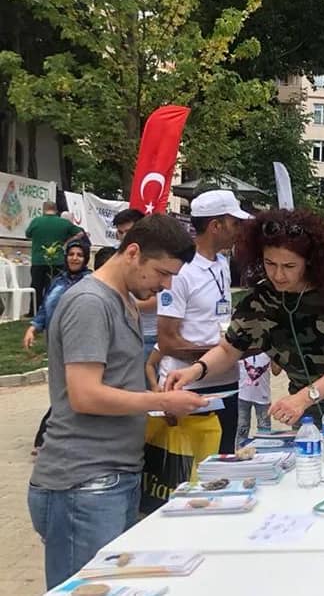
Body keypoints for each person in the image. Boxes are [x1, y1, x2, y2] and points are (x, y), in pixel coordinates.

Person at [28, 214, 207, 590]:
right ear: (133, 252)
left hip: (109, 477)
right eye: (161, 272)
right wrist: (158, 402)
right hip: (84, 482)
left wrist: (158, 394)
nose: (166, 284)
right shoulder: (91, 303)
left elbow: (116, 377)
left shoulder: (121, 297)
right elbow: (85, 394)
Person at [166, 209, 324, 429]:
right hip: (308, 406)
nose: (278, 274)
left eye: (289, 266)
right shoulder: (260, 300)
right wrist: (194, 371)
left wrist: (305, 397)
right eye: (270, 264)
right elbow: (229, 349)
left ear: (309, 261)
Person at [157, 190, 250, 453]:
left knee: (223, 465)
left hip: (227, 383)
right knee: (189, 470)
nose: (239, 231)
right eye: (235, 224)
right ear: (215, 226)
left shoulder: (222, 262)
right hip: (191, 387)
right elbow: (167, 339)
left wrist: (231, 351)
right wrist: (215, 357)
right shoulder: (180, 270)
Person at [24, 239, 93, 454]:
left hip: (80, 344)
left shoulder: (90, 281)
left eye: (79, 255)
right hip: (55, 344)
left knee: (70, 389)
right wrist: (33, 328)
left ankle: (47, 437)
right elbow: (45, 307)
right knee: (60, 390)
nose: (74, 258)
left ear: (86, 258)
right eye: (71, 254)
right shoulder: (58, 281)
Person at [114, 209, 157, 358]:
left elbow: (158, 300)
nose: (124, 236)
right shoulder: (114, 257)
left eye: (128, 231)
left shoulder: (155, 257)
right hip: (122, 334)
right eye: (120, 232)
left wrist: (120, 305)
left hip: (149, 335)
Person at [25, 201, 84, 305]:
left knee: (36, 286)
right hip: (58, 260)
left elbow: (28, 234)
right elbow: (80, 233)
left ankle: (33, 310)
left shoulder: (36, 221)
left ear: (43, 209)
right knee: (54, 287)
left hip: (38, 260)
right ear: (56, 210)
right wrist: (67, 243)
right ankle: (52, 308)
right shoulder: (64, 223)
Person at [236, 352, 274, 448]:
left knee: (264, 428)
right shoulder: (241, 350)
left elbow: (276, 371)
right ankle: (240, 451)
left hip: (263, 396)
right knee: (241, 426)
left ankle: (264, 452)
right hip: (242, 395)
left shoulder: (268, 350)